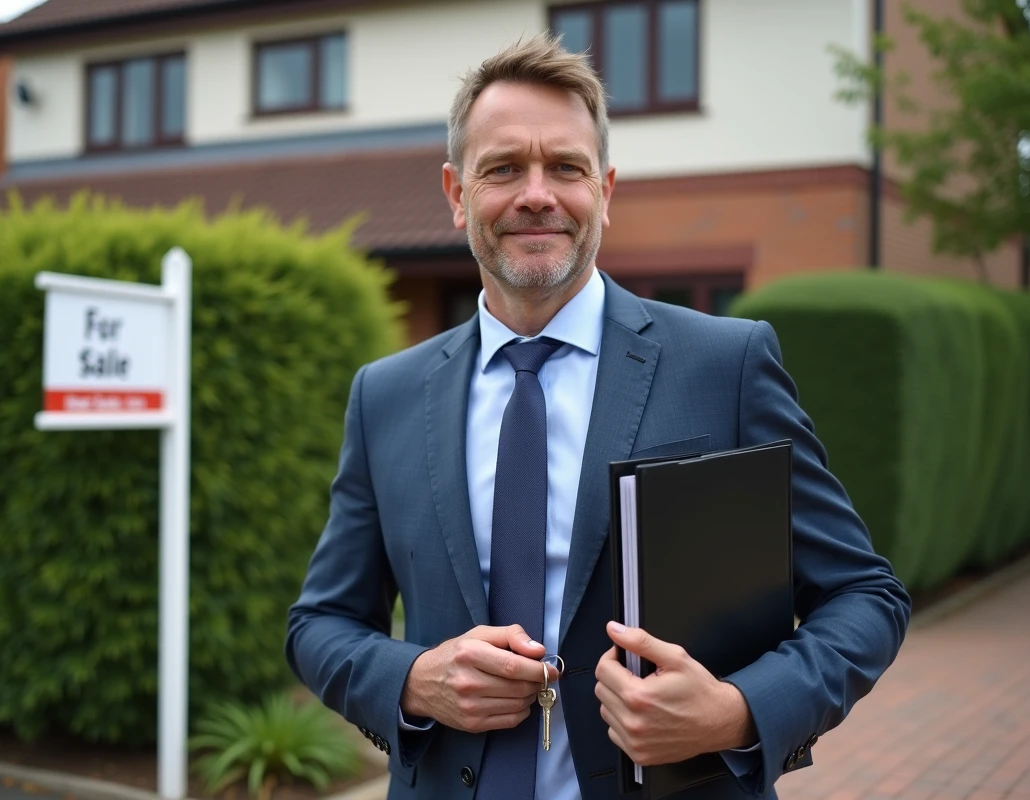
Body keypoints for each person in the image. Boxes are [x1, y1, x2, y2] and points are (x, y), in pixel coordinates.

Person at [286, 33, 910, 800]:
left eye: (567, 167)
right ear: (455, 193)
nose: (537, 194)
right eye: (504, 168)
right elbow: (319, 624)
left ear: (606, 191)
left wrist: (737, 709)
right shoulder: (384, 394)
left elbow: (864, 595)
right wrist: (413, 679)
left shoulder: (727, 363)